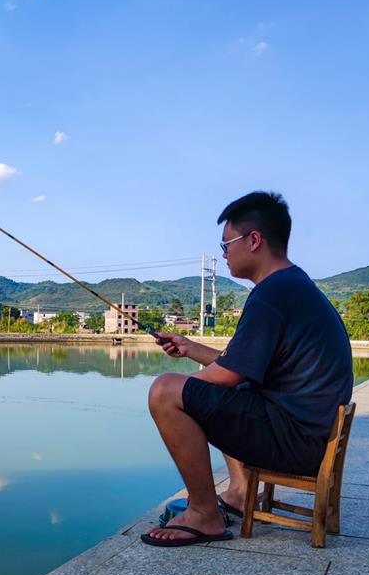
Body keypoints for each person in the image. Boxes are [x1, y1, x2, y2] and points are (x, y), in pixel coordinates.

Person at [143, 191, 353, 546]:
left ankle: (203, 513)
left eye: (226, 245)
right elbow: (238, 366)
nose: (224, 254)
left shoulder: (272, 295)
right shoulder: (290, 286)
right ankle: (239, 492)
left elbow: (225, 375)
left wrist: (181, 397)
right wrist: (191, 348)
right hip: (307, 433)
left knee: (164, 391)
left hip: (295, 441)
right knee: (222, 389)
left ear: (254, 240)